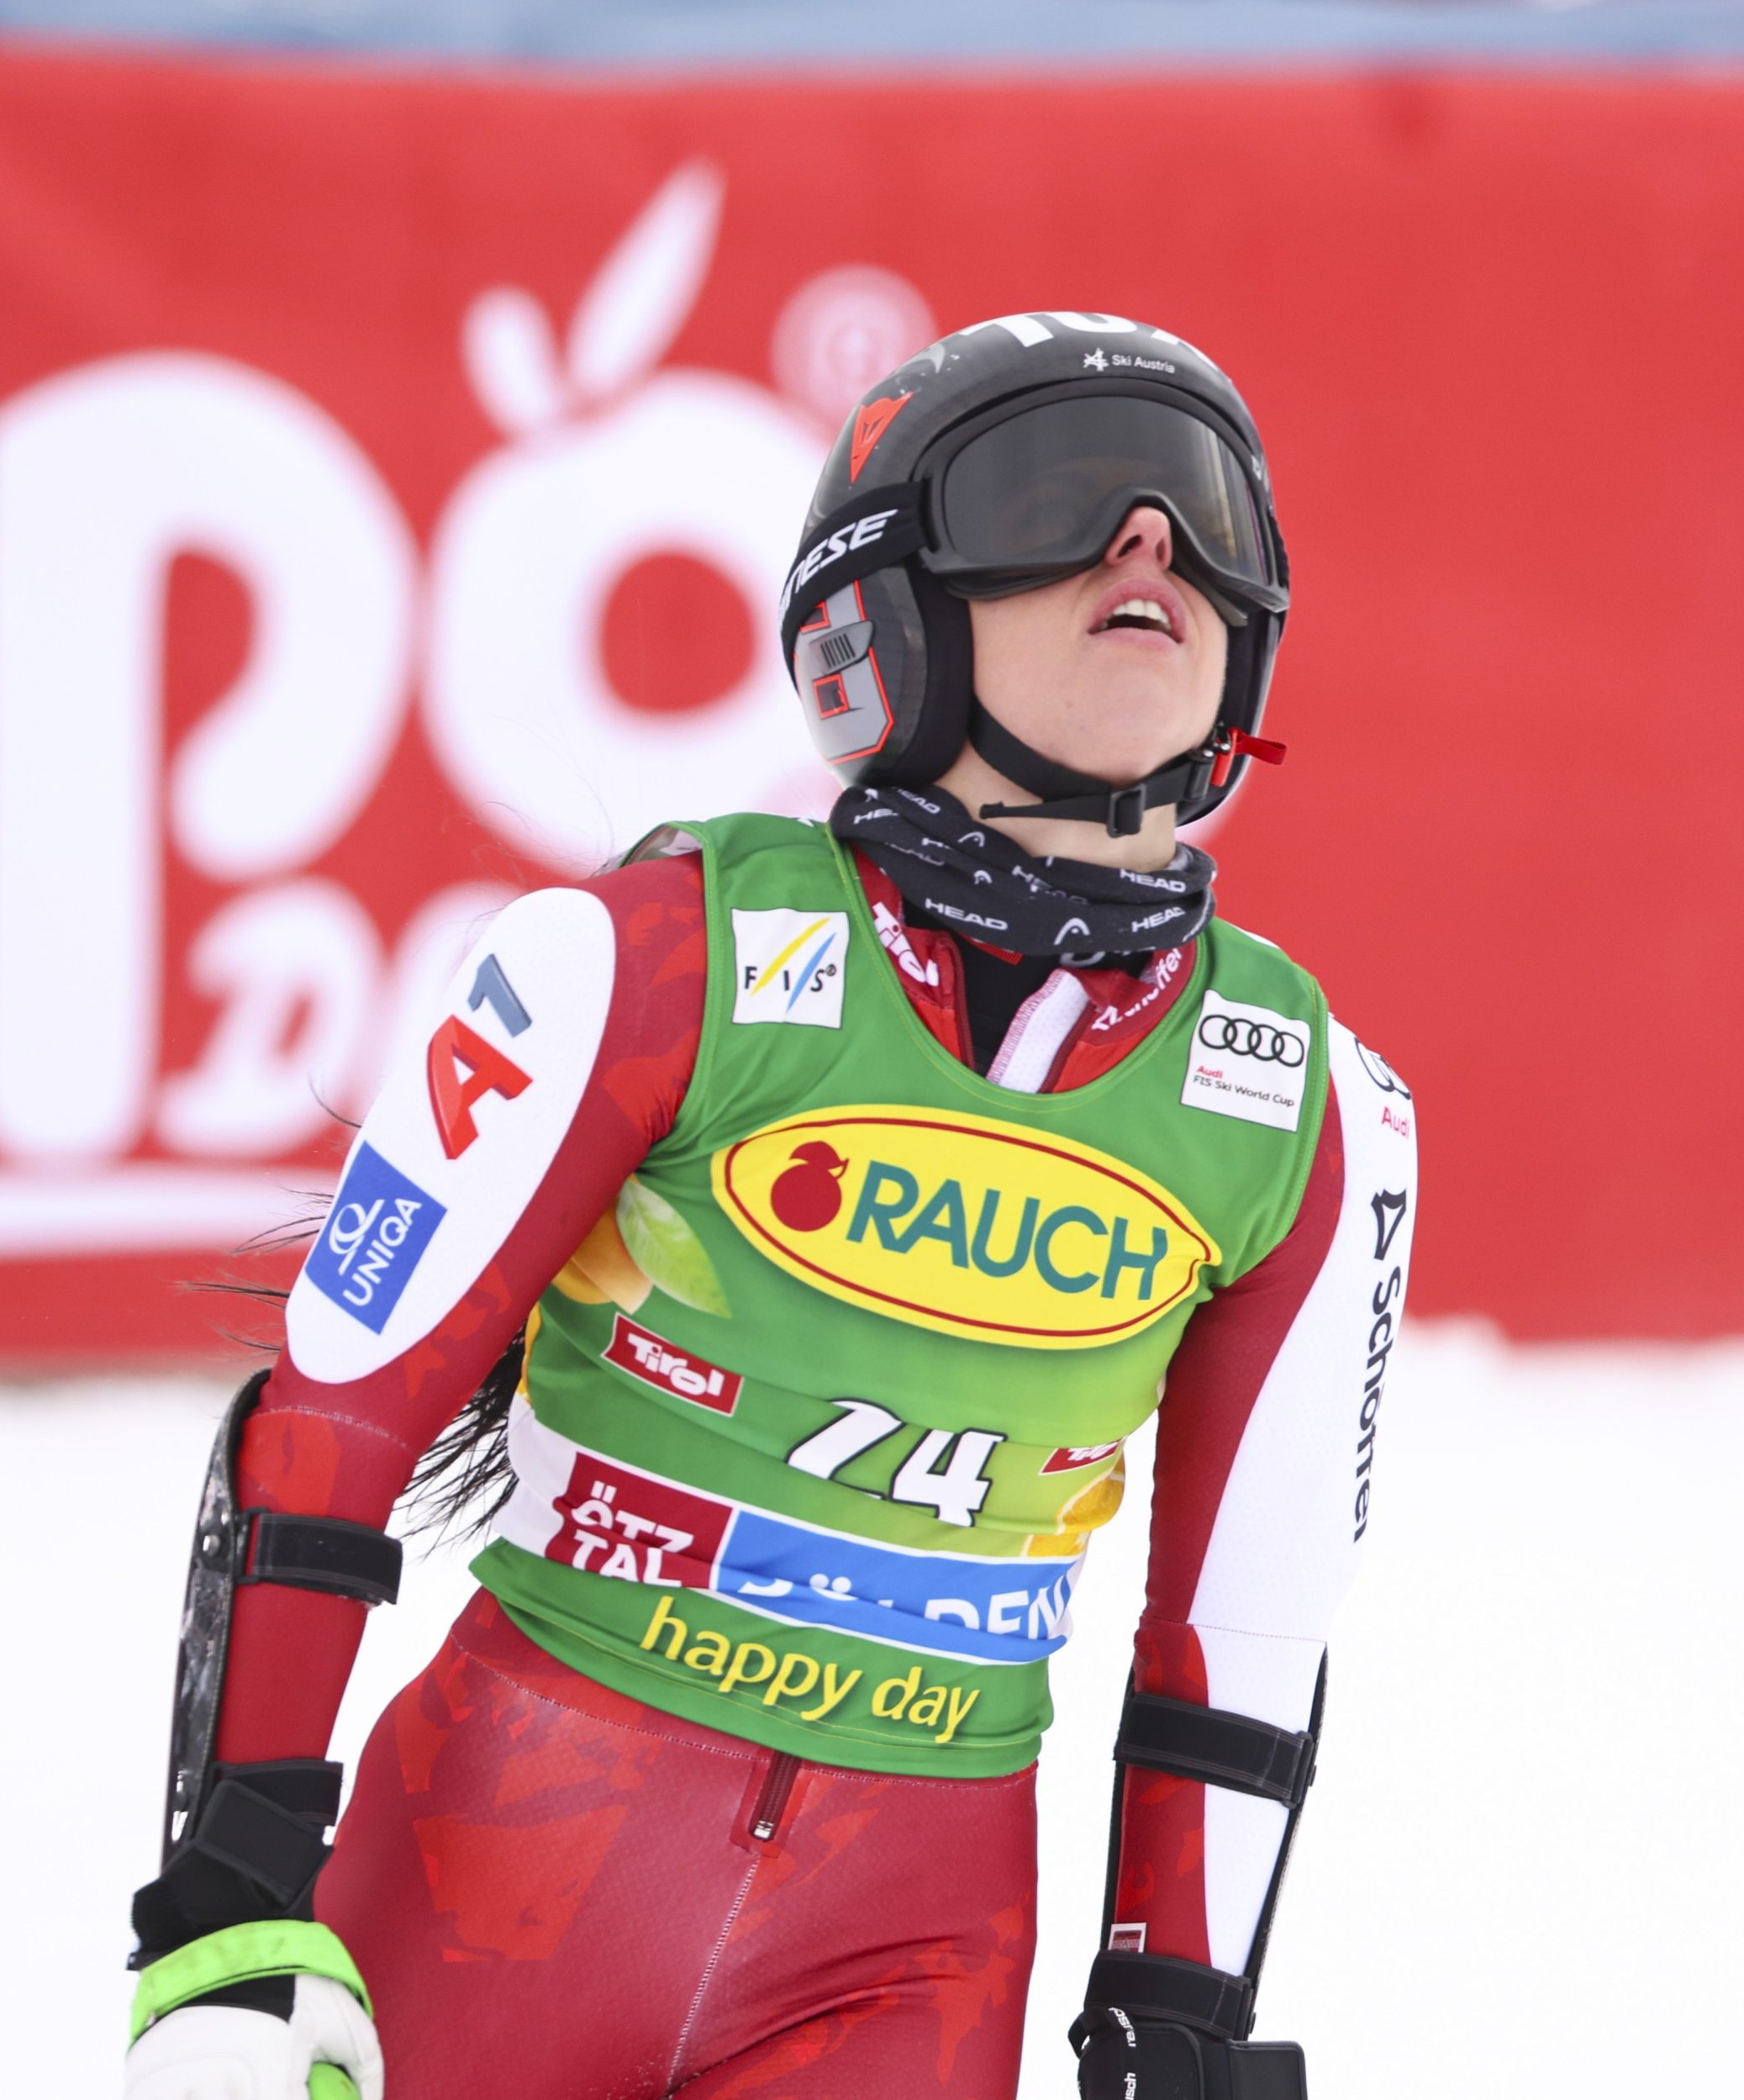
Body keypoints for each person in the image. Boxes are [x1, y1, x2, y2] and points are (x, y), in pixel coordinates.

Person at [120, 313, 1417, 2100]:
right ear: (870, 622)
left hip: (904, 1962)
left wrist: (1174, 2028)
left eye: (1204, 517)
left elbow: (1245, 1632)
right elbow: (332, 1421)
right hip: (495, 1867)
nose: (1148, 544)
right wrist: (225, 1906)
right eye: (1051, 495)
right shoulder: (655, 960)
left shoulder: (1309, 1108)